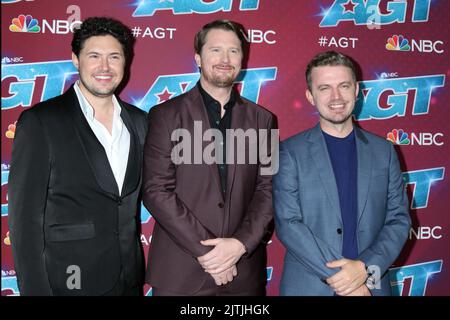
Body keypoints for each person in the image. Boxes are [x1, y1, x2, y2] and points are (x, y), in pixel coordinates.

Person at [8, 17, 147, 296]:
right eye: (94, 56)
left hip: (128, 279)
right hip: (68, 280)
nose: (105, 67)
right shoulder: (42, 122)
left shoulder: (140, 122)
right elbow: (24, 221)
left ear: (125, 61)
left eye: (114, 56)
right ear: (75, 59)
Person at [143, 19, 276, 296]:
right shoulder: (165, 115)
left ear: (243, 59)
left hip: (244, 274)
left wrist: (239, 245)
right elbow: (156, 190)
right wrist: (210, 254)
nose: (225, 59)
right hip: (181, 273)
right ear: (198, 58)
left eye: (233, 51)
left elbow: (268, 190)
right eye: (215, 50)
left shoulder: (264, 120)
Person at [273, 51, 411, 296]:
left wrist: (364, 270)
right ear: (310, 96)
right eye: (324, 88)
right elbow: (288, 224)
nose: (336, 97)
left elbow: (399, 220)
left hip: (372, 286)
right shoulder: (289, 152)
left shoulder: (384, 151)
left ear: (356, 90)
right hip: (309, 287)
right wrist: (348, 280)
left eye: (344, 86)